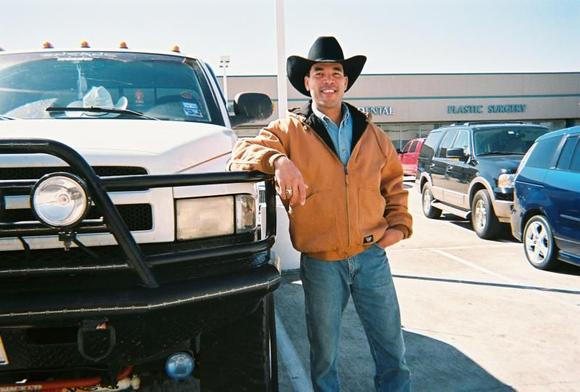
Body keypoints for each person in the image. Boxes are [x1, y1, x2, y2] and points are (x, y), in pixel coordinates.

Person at [229, 36, 412, 392]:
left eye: (336, 73)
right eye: (319, 72)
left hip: (371, 257)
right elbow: (241, 150)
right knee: (324, 355)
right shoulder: (289, 131)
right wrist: (279, 160)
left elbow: (394, 184)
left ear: (345, 82)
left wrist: (399, 227)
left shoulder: (372, 134)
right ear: (307, 82)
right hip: (322, 263)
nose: (328, 79)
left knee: (392, 349)